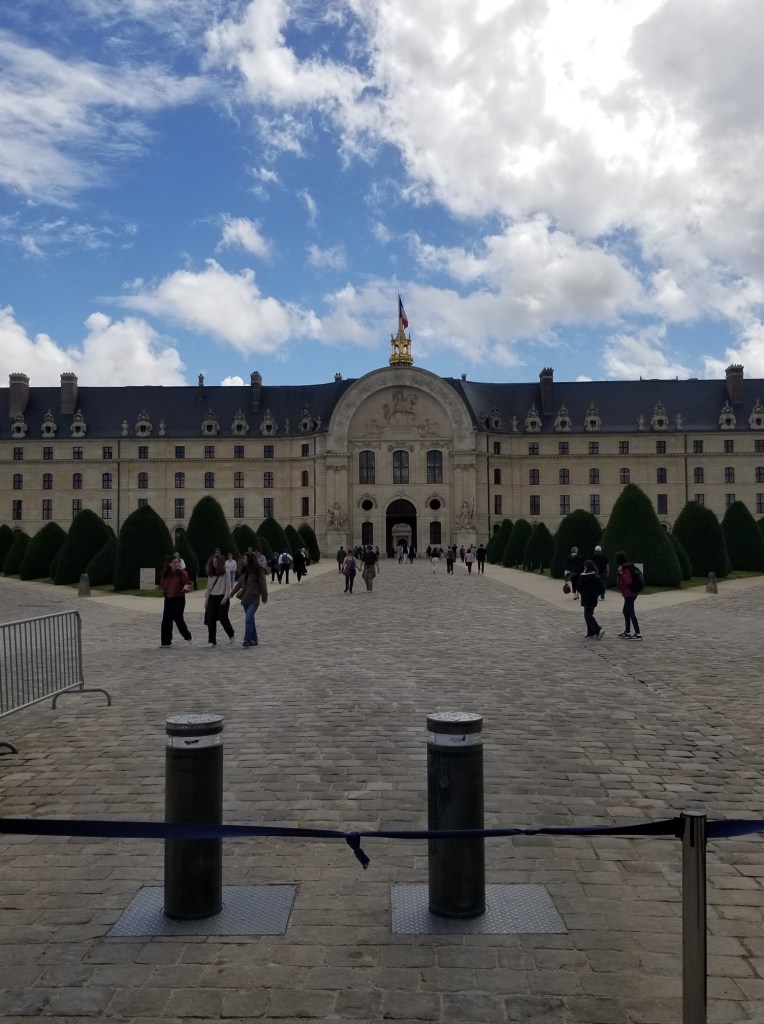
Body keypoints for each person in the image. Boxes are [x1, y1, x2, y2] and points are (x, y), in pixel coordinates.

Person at [230, 552, 268, 647]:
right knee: (251, 619)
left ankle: (246, 640)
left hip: (254, 599)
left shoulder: (258, 571)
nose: (244, 560)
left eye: (246, 559)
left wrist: (264, 597)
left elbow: (263, 584)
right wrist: (232, 593)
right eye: (243, 558)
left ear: (250, 560)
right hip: (245, 599)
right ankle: (254, 639)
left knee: (248, 619)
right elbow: (239, 584)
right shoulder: (245, 571)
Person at [157, 554, 192, 647]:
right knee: (166, 619)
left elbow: (188, 583)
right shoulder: (165, 574)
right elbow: (162, 584)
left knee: (177, 617)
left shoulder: (182, 573)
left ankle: (187, 636)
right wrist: (158, 587)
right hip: (168, 598)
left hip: (179, 598)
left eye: (177, 562)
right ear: (169, 564)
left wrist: (186, 586)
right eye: (174, 563)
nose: (176, 564)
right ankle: (166, 642)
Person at [204, 552, 234, 646]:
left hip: (222, 597)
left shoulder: (226, 572)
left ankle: (231, 634)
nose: (215, 564)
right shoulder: (211, 574)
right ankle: (212, 640)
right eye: (213, 562)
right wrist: (206, 601)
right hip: (212, 597)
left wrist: (225, 598)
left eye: (216, 562)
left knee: (223, 618)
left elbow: (228, 587)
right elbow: (209, 589)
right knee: (210, 620)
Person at [616, 551, 642, 640]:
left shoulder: (625, 568)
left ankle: (638, 633)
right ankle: (627, 631)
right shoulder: (628, 565)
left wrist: (621, 573)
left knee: (631, 612)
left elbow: (628, 581)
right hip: (630, 593)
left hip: (629, 593)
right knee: (626, 611)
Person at [578, 559, 605, 640]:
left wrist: (583, 593)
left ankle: (597, 629)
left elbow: (579, 587)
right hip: (594, 597)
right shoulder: (596, 576)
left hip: (586, 597)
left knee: (587, 615)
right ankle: (591, 632)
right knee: (590, 613)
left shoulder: (583, 576)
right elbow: (601, 588)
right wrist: (597, 594)